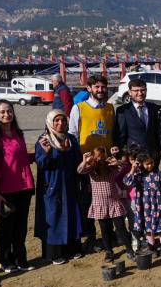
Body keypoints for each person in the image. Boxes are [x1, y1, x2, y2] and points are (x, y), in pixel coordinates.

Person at [0, 100, 36, 273]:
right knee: (7, 227)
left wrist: (38, 154)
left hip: (24, 187)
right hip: (6, 189)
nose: (7, 114)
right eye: (3, 112)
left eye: (10, 111)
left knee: (21, 227)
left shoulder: (18, 134)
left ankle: (21, 259)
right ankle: (5, 261)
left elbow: (21, 158)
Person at [69, 75, 117, 250]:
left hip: (106, 165)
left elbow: (112, 134)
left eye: (103, 87)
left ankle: (110, 234)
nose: (100, 90)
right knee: (87, 202)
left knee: (110, 198)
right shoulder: (79, 108)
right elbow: (73, 135)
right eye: (97, 87)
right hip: (88, 165)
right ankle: (91, 237)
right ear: (89, 88)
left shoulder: (111, 108)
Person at [34, 110, 84, 265]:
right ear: (50, 122)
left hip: (69, 184)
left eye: (63, 120)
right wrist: (48, 153)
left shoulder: (71, 140)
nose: (60, 124)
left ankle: (71, 248)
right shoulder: (44, 141)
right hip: (52, 186)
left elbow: (77, 161)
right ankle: (54, 253)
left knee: (71, 214)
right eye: (56, 121)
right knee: (53, 216)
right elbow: (41, 164)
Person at [77, 147, 135, 263]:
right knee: (105, 229)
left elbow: (123, 166)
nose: (100, 160)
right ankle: (109, 251)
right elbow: (79, 170)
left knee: (121, 227)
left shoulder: (111, 168)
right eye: (98, 157)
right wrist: (85, 160)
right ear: (93, 158)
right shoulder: (91, 170)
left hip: (114, 202)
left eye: (102, 157)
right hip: (99, 204)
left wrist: (116, 161)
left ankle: (129, 250)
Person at [123, 152, 161, 258]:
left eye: (151, 163)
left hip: (159, 205)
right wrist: (133, 168)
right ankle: (152, 248)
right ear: (141, 164)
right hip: (146, 208)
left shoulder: (159, 174)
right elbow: (126, 182)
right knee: (149, 229)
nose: (150, 165)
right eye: (147, 164)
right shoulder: (139, 176)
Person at [116, 79, 161, 154]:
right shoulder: (123, 110)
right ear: (130, 92)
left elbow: (157, 133)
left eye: (142, 90)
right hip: (134, 156)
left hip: (152, 156)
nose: (140, 93)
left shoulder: (154, 108)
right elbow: (121, 136)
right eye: (136, 91)